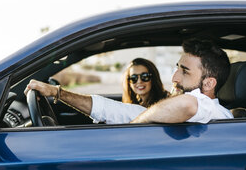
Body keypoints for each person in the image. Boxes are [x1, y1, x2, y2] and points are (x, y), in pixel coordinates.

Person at [25, 39, 234, 124]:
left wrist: (133, 128)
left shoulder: (215, 113)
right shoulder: (178, 110)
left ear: (208, 84)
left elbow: (188, 103)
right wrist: (57, 93)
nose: (174, 78)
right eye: (176, 69)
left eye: (185, 72)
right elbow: (110, 109)